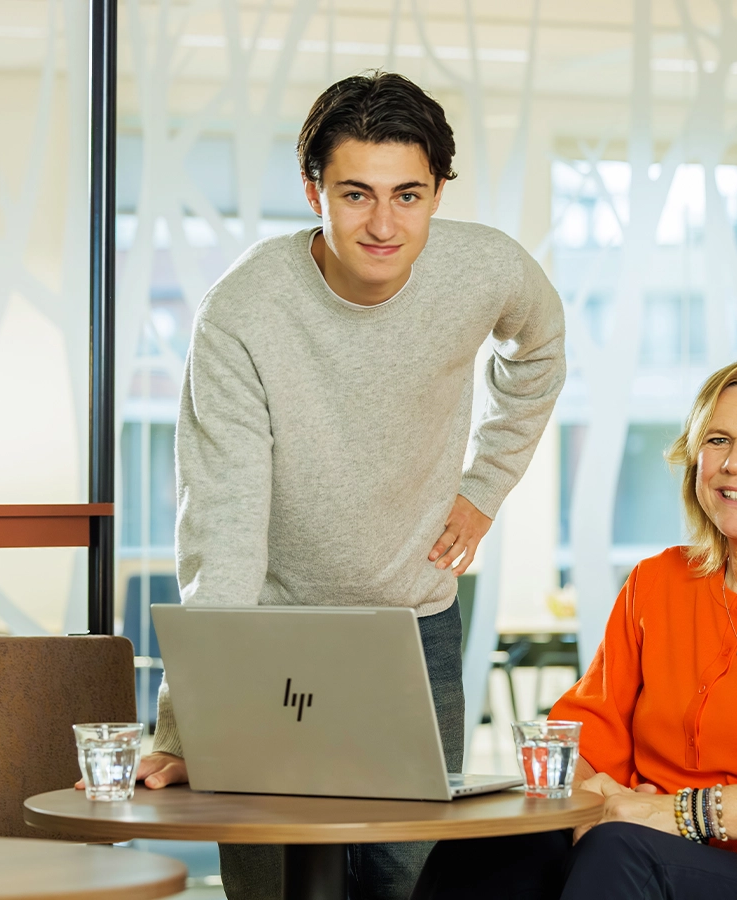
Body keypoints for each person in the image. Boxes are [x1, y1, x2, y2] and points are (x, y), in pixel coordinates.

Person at [120, 71, 567, 900]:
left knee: (408, 882)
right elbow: (221, 525)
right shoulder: (244, 311)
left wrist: (484, 487)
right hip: (269, 638)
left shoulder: (485, 269)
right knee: (271, 884)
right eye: (356, 194)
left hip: (414, 621)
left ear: (439, 191)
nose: (385, 224)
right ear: (313, 189)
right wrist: (192, 726)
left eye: (409, 194)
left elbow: (537, 353)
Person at [416, 355, 737, 900]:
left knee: (618, 852)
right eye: (718, 440)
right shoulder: (655, 584)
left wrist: (679, 813)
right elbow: (589, 738)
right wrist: (589, 796)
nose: (735, 463)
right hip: (650, 849)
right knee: (484, 846)